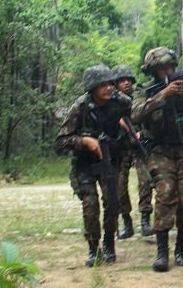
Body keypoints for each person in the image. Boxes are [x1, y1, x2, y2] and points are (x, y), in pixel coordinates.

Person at [132, 47, 183, 272]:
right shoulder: (146, 90)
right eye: (163, 69)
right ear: (154, 72)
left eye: (171, 67)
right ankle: (162, 253)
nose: (168, 71)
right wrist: (163, 95)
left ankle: (181, 249)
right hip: (160, 151)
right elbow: (136, 113)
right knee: (165, 194)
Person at [56, 65, 132, 267]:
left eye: (110, 83)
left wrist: (130, 128)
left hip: (110, 160)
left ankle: (109, 244)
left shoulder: (122, 103)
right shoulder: (80, 107)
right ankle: (93, 248)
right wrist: (84, 142)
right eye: (103, 85)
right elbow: (61, 140)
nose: (109, 88)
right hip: (85, 164)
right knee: (90, 206)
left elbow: (135, 118)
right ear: (92, 88)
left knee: (112, 204)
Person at [111, 65, 154, 238]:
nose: (126, 83)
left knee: (145, 181)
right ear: (116, 83)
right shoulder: (110, 100)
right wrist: (117, 122)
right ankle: (127, 222)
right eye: (122, 80)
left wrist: (140, 133)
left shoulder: (141, 95)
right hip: (120, 148)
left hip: (138, 145)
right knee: (119, 186)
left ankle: (145, 220)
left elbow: (151, 119)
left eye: (128, 79)